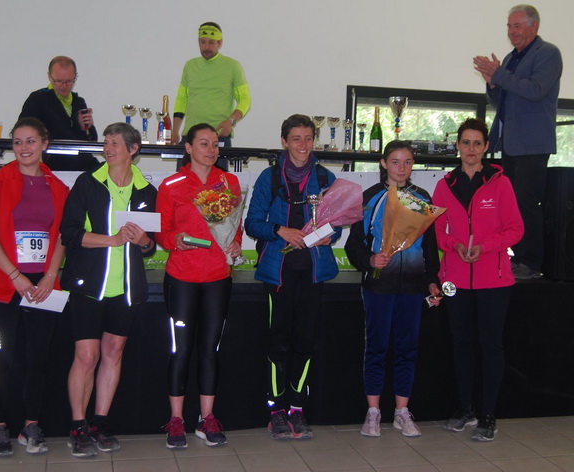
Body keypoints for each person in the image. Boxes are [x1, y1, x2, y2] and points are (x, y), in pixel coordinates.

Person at [60, 122, 157, 457]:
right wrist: (111, 240)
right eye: (107, 142)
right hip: (89, 286)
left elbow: (151, 246)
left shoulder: (146, 190)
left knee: (113, 354)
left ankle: (99, 422)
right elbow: (70, 234)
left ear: (133, 150)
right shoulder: (87, 183)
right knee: (87, 356)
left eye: (115, 143)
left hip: (126, 289)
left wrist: (145, 241)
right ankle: (77, 425)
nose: (108, 148)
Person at [0, 117, 70, 456]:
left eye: (31, 141)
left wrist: (48, 277)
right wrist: (16, 277)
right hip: (5, 282)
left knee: (39, 357)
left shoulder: (58, 187)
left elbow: (61, 236)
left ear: (44, 143)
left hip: (44, 286)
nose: (24, 148)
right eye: (17, 142)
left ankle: (31, 425)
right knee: (6, 356)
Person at [244, 114, 341, 440]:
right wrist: (279, 230)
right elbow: (252, 223)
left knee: (305, 342)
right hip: (279, 274)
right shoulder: (269, 178)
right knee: (279, 342)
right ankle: (276, 410)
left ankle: (297, 409)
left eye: (308, 138)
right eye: (296, 138)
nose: (303, 145)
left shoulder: (326, 177)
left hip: (313, 273)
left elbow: (336, 221)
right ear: (284, 141)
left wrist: (331, 234)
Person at [433, 118, 523, 441]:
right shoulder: (444, 186)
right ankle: (465, 409)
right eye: (465, 143)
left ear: (486, 148)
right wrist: (454, 246)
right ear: (457, 146)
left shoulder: (501, 183)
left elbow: (516, 229)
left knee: (490, 346)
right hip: (455, 279)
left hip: (494, 281)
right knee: (460, 345)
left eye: (476, 143)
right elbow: (437, 231)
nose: (470, 149)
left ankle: (488, 414)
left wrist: (484, 248)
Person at [344, 141, 441, 438]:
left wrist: (432, 280)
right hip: (378, 286)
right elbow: (353, 245)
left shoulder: (421, 198)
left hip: (412, 288)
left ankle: (402, 411)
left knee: (407, 349)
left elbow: (430, 247)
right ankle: (373, 412)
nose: (402, 168)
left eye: (408, 162)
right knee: (376, 348)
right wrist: (370, 259)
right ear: (384, 163)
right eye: (396, 161)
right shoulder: (370, 197)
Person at [156, 123, 243, 449]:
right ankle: (176, 419)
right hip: (181, 278)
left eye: (215, 144)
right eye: (204, 143)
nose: (211, 149)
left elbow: (235, 224)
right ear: (188, 148)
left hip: (218, 278)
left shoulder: (229, 182)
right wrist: (173, 240)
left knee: (210, 350)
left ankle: (207, 418)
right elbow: (161, 233)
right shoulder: (171, 185)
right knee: (180, 350)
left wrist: (235, 242)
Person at [473, 4, 562, 279]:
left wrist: (500, 75)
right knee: (510, 204)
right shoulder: (512, 58)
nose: (512, 32)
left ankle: (532, 263)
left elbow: (535, 90)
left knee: (527, 203)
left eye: (517, 26)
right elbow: (503, 101)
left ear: (533, 27)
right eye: (509, 27)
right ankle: (517, 257)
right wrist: (491, 83)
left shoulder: (547, 53)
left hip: (533, 145)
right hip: (511, 144)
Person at [171, 22, 251, 148]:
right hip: (190, 135)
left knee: (218, 169)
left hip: (218, 135)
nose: (206, 47)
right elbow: (182, 99)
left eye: (211, 42)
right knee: (185, 169)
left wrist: (230, 121)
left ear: (220, 43)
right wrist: (174, 130)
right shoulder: (189, 66)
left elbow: (245, 99)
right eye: (203, 42)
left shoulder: (233, 66)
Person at [19, 55, 100, 170]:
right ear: (49, 77)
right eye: (58, 81)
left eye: (68, 81)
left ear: (75, 78)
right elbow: (23, 132)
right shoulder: (37, 99)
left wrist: (86, 128)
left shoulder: (79, 102)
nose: (64, 86)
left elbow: (92, 141)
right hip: (53, 165)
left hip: (83, 163)